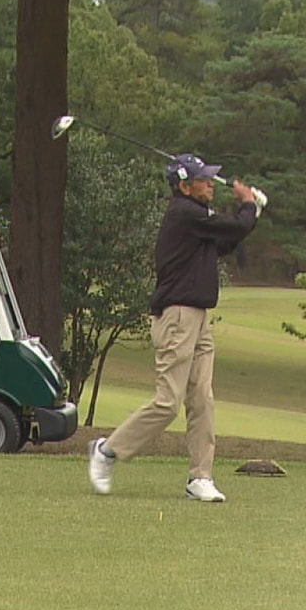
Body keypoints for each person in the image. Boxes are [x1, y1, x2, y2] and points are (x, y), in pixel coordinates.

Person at [88, 154, 265, 502]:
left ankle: (200, 477)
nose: (211, 183)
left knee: (202, 399)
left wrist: (251, 212)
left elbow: (226, 241)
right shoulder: (185, 213)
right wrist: (247, 205)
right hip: (177, 317)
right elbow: (232, 227)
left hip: (198, 318)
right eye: (203, 179)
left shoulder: (197, 219)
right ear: (184, 186)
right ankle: (106, 451)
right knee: (168, 402)